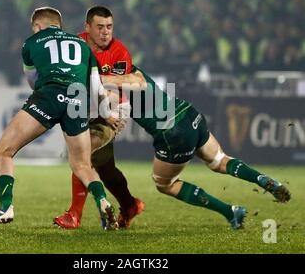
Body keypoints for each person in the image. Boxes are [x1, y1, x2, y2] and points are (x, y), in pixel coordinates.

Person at [100, 65, 291, 229]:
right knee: (220, 161)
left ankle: (231, 212)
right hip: (189, 113)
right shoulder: (128, 67)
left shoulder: (112, 82)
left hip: (171, 131)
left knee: (165, 184)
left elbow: (116, 104)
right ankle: (261, 178)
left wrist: (97, 84)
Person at [0, 6, 119, 230]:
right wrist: (106, 114)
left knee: (4, 151)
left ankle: (6, 207)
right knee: (82, 164)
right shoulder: (83, 45)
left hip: (49, 96)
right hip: (78, 100)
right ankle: (103, 201)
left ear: (37, 26)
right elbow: (96, 87)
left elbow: (33, 82)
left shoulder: (31, 43)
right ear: (59, 25)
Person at [53, 6, 146, 229]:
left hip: (111, 112)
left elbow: (116, 88)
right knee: (105, 168)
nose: (106, 32)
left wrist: (103, 102)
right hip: (86, 110)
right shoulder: (75, 45)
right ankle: (130, 204)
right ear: (87, 27)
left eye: (109, 27)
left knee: (82, 155)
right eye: (100, 27)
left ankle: (74, 215)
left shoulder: (119, 52)